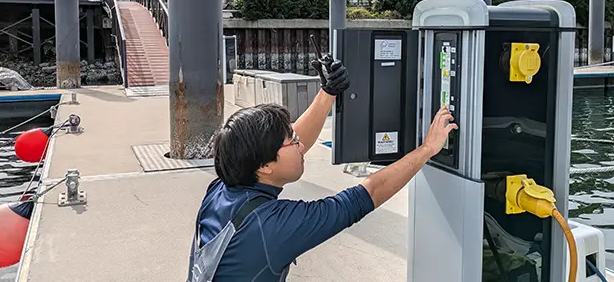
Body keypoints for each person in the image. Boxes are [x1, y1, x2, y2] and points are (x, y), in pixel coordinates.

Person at [188, 55, 457, 282]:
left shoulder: (223, 188)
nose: (301, 145)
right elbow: (368, 193)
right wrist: (427, 149)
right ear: (265, 167)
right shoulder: (273, 227)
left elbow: (283, 145)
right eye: (291, 141)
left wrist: (327, 92)